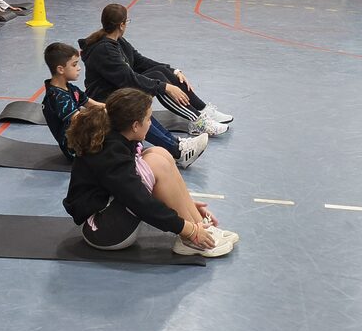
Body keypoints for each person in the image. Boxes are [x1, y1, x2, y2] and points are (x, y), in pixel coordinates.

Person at [63, 88, 237, 257]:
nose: (151, 124)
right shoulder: (111, 154)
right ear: (135, 126)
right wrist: (187, 229)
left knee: (158, 153)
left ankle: (200, 226)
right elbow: (140, 201)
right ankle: (190, 240)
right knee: (155, 164)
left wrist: (185, 205)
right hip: (102, 232)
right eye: (148, 119)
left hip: (110, 215)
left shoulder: (119, 136)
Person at [42, 41, 206, 169]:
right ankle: (177, 151)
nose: (79, 68)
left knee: (132, 109)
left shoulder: (70, 88)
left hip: (83, 137)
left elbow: (93, 105)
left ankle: (175, 144)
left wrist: (119, 106)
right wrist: (115, 114)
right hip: (76, 149)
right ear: (60, 69)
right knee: (128, 117)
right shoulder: (56, 96)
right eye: (74, 65)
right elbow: (79, 119)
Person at [79, 3, 232, 136]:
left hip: (116, 89)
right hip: (105, 99)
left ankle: (203, 110)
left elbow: (140, 61)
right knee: (159, 80)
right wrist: (165, 87)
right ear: (122, 25)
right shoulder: (105, 50)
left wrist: (174, 71)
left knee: (161, 72)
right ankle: (197, 122)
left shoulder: (118, 41)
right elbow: (129, 80)